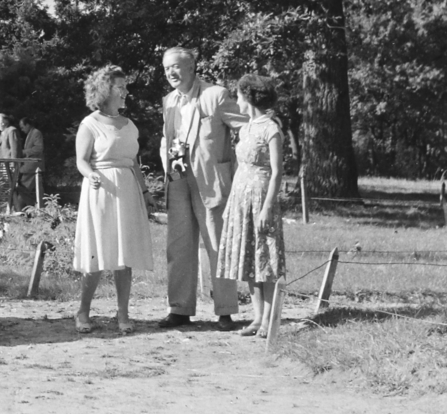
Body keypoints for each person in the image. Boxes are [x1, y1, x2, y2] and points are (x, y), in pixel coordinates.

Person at [159, 46, 240, 328]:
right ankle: (179, 309)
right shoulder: (168, 100)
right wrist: (167, 167)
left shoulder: (215, 95)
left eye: (176, 66)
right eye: (166, 67)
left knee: (217, 244)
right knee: (178, 246)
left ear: (192, 68)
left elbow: (245, 128)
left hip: (210, 181)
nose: (170, 72)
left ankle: (225, 310)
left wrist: (239, 173)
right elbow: (168, 139)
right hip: (178, 177)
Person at [72, 65, 153, 333]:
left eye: (125, 86)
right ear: (105, 91)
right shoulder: (90, 123)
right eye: (121, 87)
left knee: (124, 254)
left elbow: (134, 164)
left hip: (127, 192)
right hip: (100, 192)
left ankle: (123, 314)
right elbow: (82, 161)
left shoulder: (130, 125)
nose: (125, 91)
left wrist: (144, 192)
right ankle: (83, 312)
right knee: (97, 253)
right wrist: (91, 174)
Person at [216, 75, 287, 337]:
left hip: (261, 196)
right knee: (248, 259)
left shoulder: (271, 128)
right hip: (240, 197)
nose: (237, 100)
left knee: (265, 260)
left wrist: (268, 207)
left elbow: (278, 172)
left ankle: (269, 320)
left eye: (239, 95)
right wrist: (231, 204)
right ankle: (257, 318)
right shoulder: (244, 128)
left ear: (250, 97)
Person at [17, 116, 45, 209]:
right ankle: (36, 206)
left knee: (23, 187)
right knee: (32, 190)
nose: (22, 129)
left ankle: (19, 208)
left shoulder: (36, 133)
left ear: (28, 125)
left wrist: (24, 152)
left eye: (22, 127)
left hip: (33, 166)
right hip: (30, 166)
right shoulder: (30, 134)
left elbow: (39, 148)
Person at [0, 112, 20, 208]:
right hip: (3, 165)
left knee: (11, 187)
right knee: (5, 187)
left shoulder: (12, 131)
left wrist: (13, 165)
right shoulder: (3, 132)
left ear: (4, 122)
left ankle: (15, 208)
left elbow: (14, 149)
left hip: (10, 166)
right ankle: (8, 208)